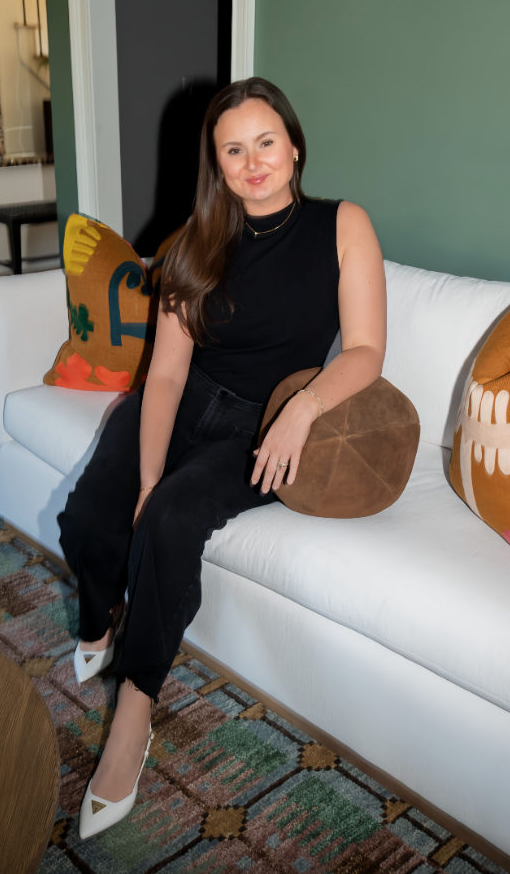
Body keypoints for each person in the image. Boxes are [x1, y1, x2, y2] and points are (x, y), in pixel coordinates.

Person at [58, 77, 386, 839]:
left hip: (264, 427)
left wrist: (303, 408)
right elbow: (166, 374)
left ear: (294, 145)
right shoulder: (192, 240)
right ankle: (96, 612)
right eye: (232, 150)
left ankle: (134, 710)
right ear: (217, 164)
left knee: (171, 520)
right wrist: (144, 476)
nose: (252, 162)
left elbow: (366, 351)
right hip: (182, 402)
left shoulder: (343, 225)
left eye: (265, 142)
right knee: (88, 521)